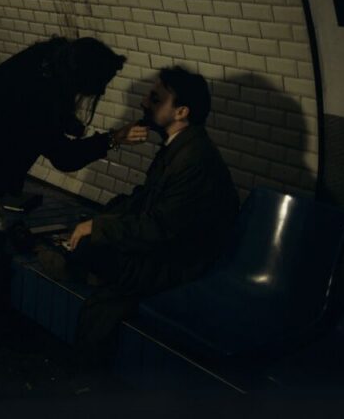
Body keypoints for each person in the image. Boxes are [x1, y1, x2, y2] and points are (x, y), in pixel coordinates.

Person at [56, 66, 240, 371]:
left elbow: (160, 228)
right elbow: (147, 200)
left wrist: (100, 226)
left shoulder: (194, 160)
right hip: (169, 247)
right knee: (91, 239)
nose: (144, 103)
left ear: (181, 112)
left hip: (181, 264)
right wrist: (104, 217)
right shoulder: (181, 145)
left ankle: (84, 368)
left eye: (155, 99)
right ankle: (78, 266)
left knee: (93, 250)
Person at [0, 36, 148, 231]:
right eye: (100, 84)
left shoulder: (48, 59)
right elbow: (65, 157)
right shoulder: (39, 99)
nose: (103, 92)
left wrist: (66, 122)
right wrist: (113, 139)